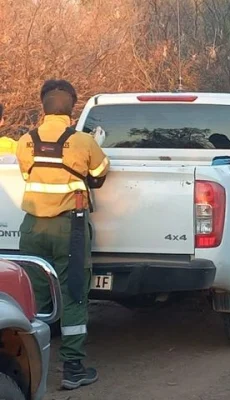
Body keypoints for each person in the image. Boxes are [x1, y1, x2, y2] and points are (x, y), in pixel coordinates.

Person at [16, 79, 110, 390]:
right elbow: (99, 173)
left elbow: (29, 174)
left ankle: (26, 369)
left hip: (32, 227)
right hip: (68, 229)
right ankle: (72, 369)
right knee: (72, 294)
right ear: (72, 108)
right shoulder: (83, 142)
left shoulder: (25, 142)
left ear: (43, 105)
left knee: (33, 297)